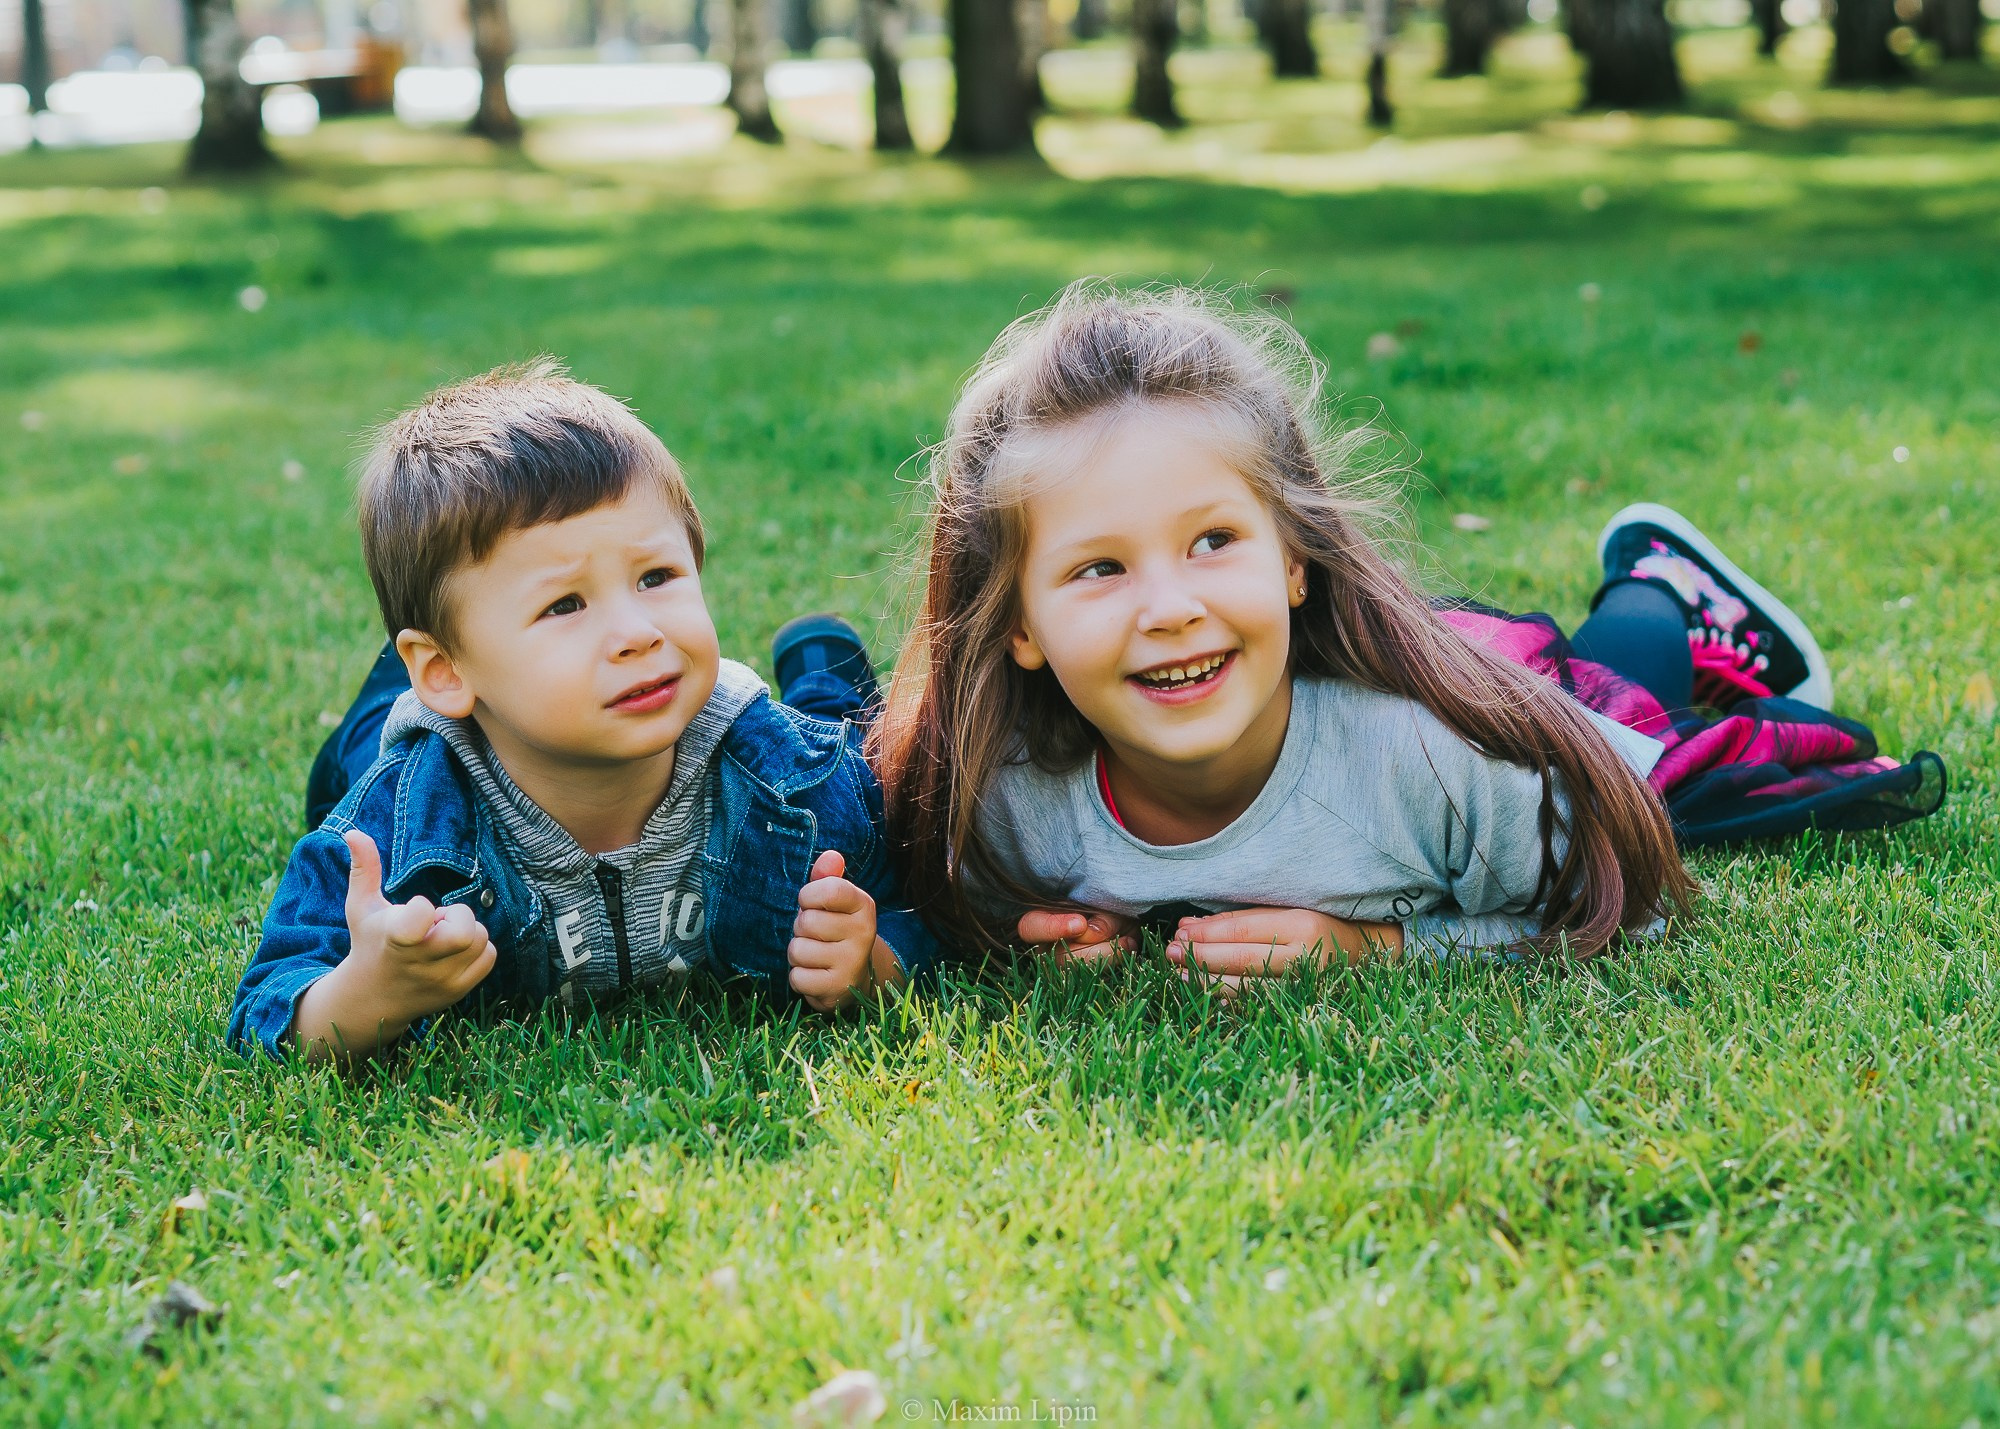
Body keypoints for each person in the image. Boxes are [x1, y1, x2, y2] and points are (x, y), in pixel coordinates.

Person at [865, 283, 1945, 986]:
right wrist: (1051, 939)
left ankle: (1661, 588)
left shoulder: (1434, 763)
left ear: (1292, 557)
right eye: (1099, 567)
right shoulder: (1004, 808)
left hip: (1500, 702)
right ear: (1017, 628)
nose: (1169, 606)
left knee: (1627, 707)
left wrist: (1379, 947)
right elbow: (953, 921)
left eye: (1211, 542)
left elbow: (1636, 905)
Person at [229, 361, 932, 1061]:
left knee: (850, 728)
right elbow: (270, 1001)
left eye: (656, 577)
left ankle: (825, 666)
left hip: (731, 719)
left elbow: (930, 906)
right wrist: (365, 994)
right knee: (358, 758)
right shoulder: (402, 825)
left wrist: (877, 961)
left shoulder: (800, 780)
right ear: (444, 670)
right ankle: (393, 691)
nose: (637, 632)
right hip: (446, 728)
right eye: (565, 604)